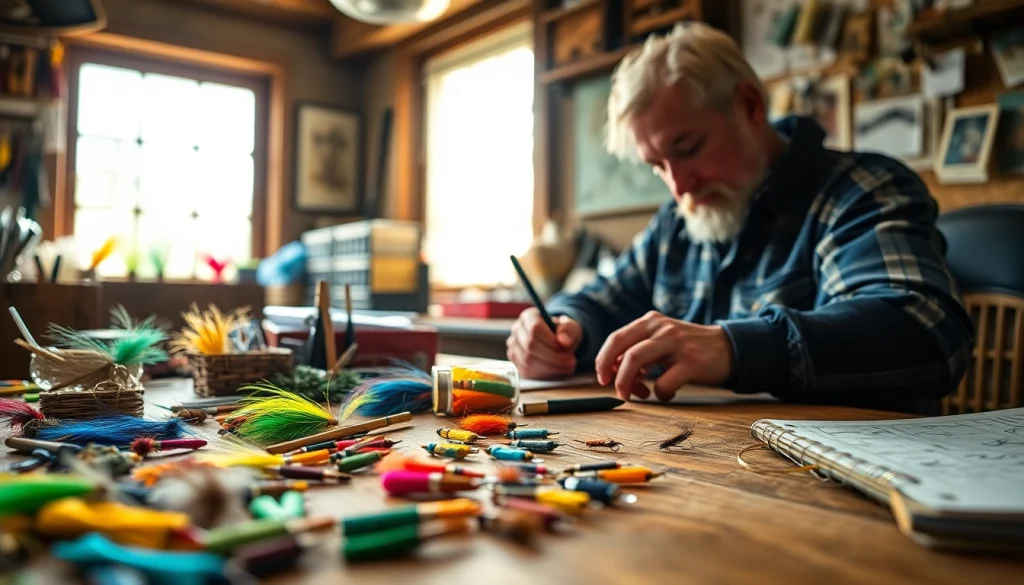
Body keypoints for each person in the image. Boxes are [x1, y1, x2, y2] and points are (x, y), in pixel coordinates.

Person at [506, 22, 974, 413]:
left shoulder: (858, 191)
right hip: (715, 470)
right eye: (658, 166)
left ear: (750, 106)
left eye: (688, 149)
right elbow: (601, 300)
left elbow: (925, 329)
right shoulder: (677, 224)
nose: (679, 186)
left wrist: (733, 347)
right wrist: (561, 329)